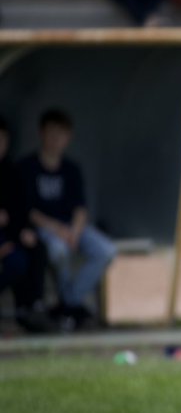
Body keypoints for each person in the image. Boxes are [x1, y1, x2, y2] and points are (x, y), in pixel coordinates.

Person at [16, 108, 116, 328]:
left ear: (68, 137)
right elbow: (29, 210)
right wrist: (59, 230)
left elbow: (81, 208)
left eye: (61, 134)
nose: (56, 140)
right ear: (41, 134)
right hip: (44, 228)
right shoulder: (26, 168)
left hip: (72, 228)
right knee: (58, 250)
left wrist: (75, 231)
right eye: (52, 134)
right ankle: (71, 307)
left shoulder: (71, 169)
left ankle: (68, 302)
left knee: (106, 250)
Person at [0, 115, 52, 333]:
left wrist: (23, 232)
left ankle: (31, 308)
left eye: (2, 140)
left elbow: (20, 209)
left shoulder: (11, 171)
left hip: (10, 234)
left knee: (36, 247)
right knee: (16, 261)